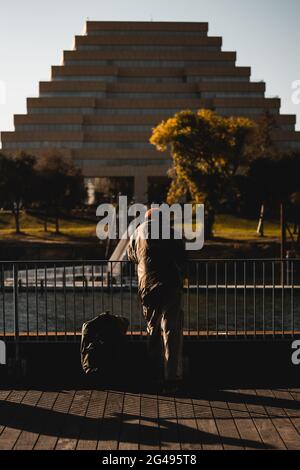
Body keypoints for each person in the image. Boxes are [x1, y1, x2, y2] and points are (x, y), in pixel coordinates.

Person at [127, 208, 186, 393]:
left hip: (148, 284)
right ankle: (172, 378)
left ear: (146, 219)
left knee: (152, 328)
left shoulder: (137, 231)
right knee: (171, 329)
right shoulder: (172, 232)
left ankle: (155, 374)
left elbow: (131, 256)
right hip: (171, 284)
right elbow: (182, 257)